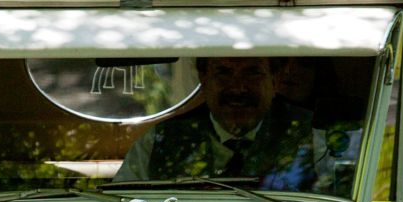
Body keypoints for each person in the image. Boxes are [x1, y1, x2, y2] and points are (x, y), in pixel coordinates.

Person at [115, 55, 317, 189]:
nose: (238, 88)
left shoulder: (313, 137)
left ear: (276, 79)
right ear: (203, 78)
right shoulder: (159, 141)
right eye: (223, 73)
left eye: (252, 72)